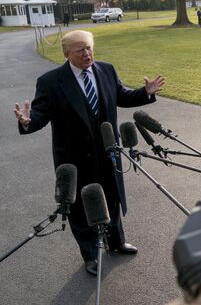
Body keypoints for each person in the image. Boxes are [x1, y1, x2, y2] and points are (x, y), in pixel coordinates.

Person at [13, 30, 165, 276]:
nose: (87, 54)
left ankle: (116, 243)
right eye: (80, 50)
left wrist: (145, 92)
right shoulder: (51, 81)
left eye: (89, 48)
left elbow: (122, 96)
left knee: (112, 198)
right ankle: (91, 255)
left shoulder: (106, 70)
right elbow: (41, 113)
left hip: (108, 150)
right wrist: (28, 121)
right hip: (73, 157)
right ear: (67, 54)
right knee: (81, 209)